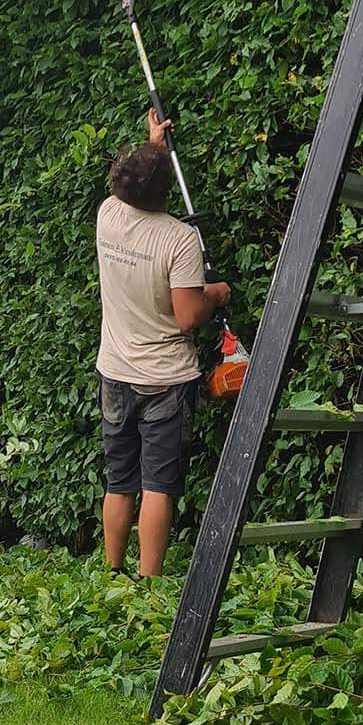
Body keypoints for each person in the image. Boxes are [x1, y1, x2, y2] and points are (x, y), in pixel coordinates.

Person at [95, 109, 230, 576]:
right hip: (166, 379)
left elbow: (135, 177)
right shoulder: (179, 239)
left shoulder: (108, 213)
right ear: (164, 190)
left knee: (120, 481)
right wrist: (216, 293)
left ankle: (112, 573)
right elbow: (189, 315)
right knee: (157, 486)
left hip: (115, 370)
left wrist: (152, 144)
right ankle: (148, 584)